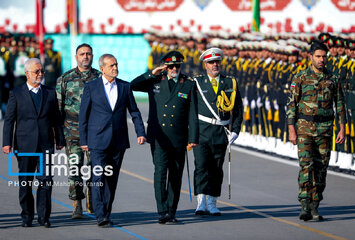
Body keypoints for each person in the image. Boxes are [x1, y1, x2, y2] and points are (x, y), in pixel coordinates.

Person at [131, 51, 198, 224]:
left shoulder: (188, 84)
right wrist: (150, 73)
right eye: (170, 66)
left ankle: (171, 210)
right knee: (160, 172)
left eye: (177, 66)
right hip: (159, 136)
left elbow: (192, 113)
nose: (174, 68)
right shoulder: (155, 80)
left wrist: (193, 137)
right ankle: (161, 211)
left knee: (175, 175)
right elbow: (133, 85)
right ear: (164, 66)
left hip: (178, 137)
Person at [79, 54, 146, 227]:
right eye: (111, 66)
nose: (115, 68)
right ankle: (100, 214)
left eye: (116, 64)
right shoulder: (91, 87)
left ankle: (106, 212)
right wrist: (84, 140)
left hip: (118, 140)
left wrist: (140, 132)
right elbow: (83, 116)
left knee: (112, 179)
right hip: (97, 141)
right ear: (102, 69)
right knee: (98, 177)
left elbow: (134, 111)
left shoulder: (124, 86)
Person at [286, 41, 346, 222]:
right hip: (304, 128)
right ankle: (304, 205)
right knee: (306, 166)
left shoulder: (333, 79)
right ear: (310, 57)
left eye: (324, 57)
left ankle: (315, 206)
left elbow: (340, 105)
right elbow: (292, 105)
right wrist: (291, 130)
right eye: (318, 56)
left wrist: (342, 129)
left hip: (325, 130)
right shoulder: (300, 77)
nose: (321, 60)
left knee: (321, 169)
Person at [2, 58, 65, 228]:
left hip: (45, 146)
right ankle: (27, 216)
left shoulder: (50, 93)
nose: (40, 74)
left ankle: (44, 217)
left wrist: (60, 139)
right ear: (27, 73)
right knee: (25, 182)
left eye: (41, 71)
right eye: (36, 71)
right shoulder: (16, 93)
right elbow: (9, 120)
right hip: (24, 145)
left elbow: (56, 119)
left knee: (46, 181)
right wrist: (6, 142)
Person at [192, 48, 243, 216]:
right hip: (201, 131)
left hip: (221, 131)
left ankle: (213, 202)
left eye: (217, 62)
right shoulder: (197, 83)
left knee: (216, 168)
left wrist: (235, 130)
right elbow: (190, 110)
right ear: (205, 65)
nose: (215, 65)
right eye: (211, 62)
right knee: (201, 167)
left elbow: (237, 109)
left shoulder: (230, 83)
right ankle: (201, 202)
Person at [56, 43, 101, 218]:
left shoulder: (99, 77)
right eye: (82, 54)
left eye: (88, 54)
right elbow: (58, 108)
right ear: (76, 57)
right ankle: (77, 205)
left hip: (94, 131)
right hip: (72, 131)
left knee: (94, 169)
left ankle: (93, 200)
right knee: (74, 169)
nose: (85, 57)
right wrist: (58, 134)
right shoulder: (65, 79)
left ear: (92, 56)